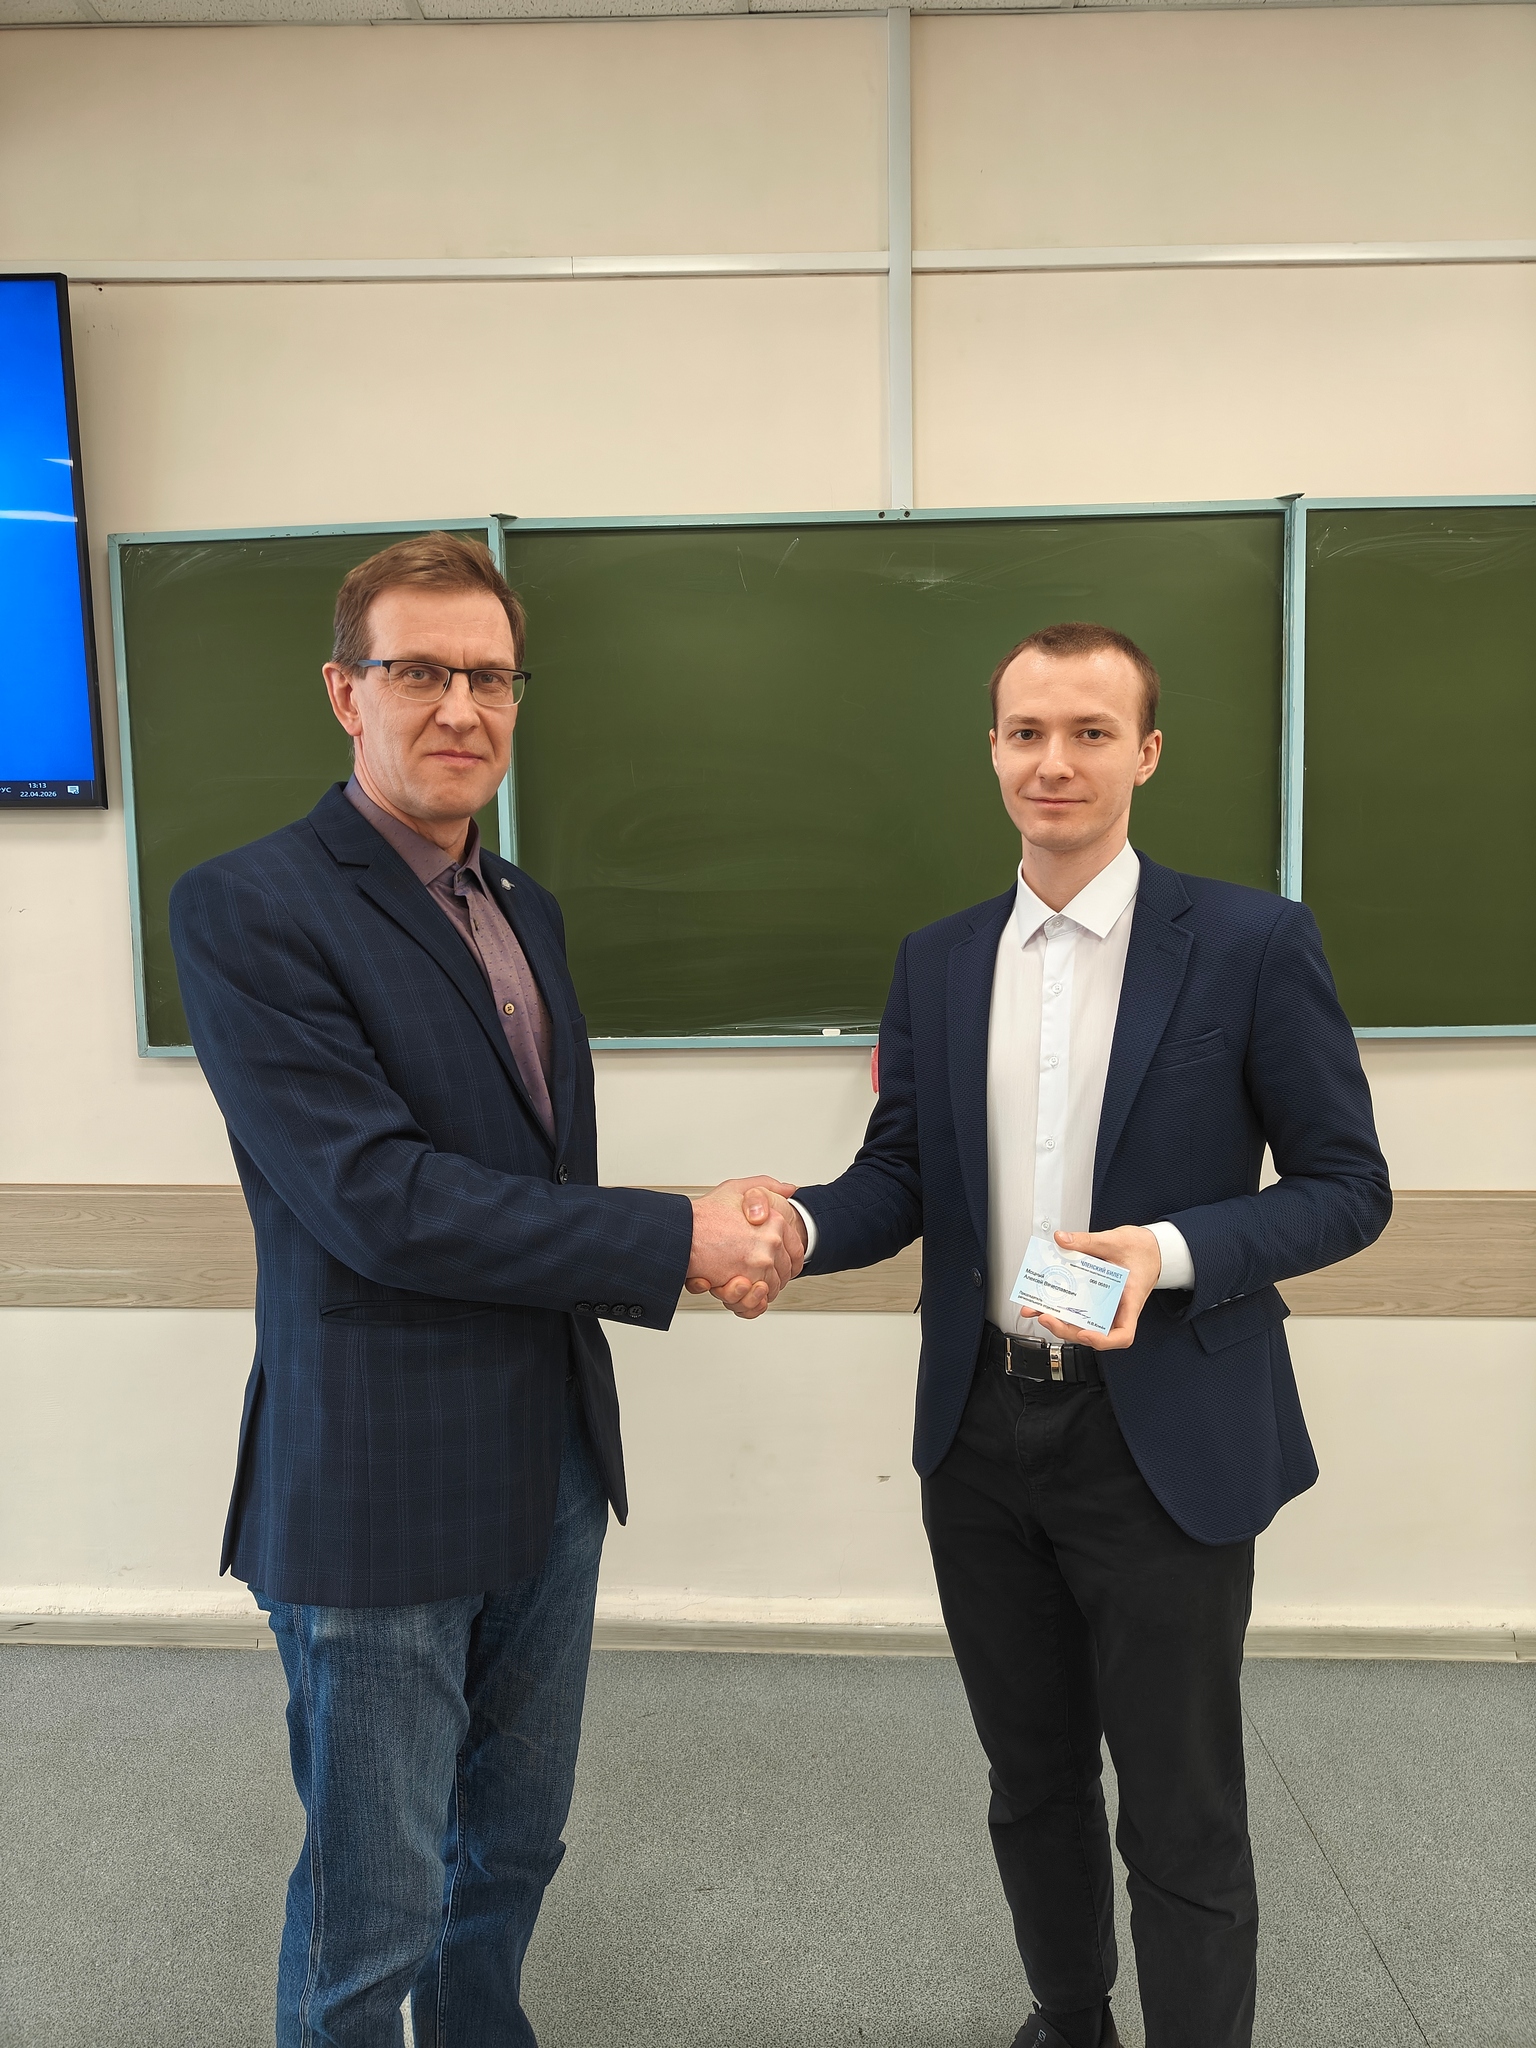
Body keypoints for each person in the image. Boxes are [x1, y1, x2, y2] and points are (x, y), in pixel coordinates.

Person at [712, 622, 1391, 2048]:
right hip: (980, 1430)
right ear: (994, 753)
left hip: (1159, 1432)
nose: (1055, 761)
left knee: (1182, 1804)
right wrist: (800, 1229)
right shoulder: (941, 961)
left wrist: (1169, 1253)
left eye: (1091, 732)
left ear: (1146, 753)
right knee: (1031, 1781)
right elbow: (905, 1173)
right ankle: (1069, 2017)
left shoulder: (1251, 944)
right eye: (1027, 732)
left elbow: (1347, 1188)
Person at [169, 531, 801, 2048]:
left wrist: (696, 1227)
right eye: (421, 673)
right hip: (379, 1481)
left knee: (510, 1849)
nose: (462, 707)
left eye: (493, 677)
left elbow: (526, 1177)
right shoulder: (250, 905)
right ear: (347, 692)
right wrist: (675, 1238)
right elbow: (378, 1201)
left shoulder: (523, 905)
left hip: (550, 1461)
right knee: (371, 1901)